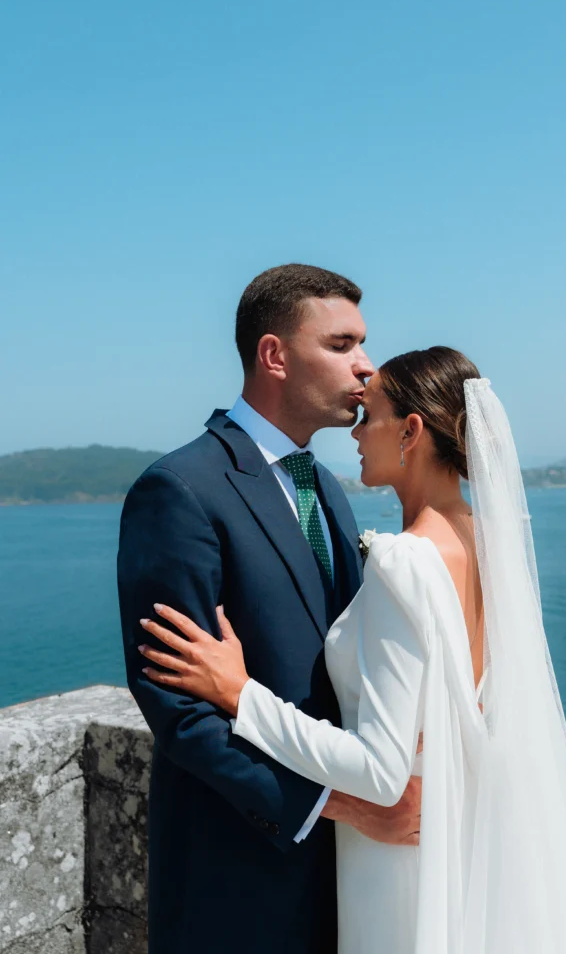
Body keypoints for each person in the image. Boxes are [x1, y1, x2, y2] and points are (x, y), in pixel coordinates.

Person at [138, 346, 566, 953]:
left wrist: (242, 696)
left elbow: (379, 768)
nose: (356, 433)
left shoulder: (405, 559)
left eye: (369, 416)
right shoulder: (483, 539)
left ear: (411, 431)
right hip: (452, 831)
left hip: (397, 854)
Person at [116, 264, 422, 954]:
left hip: (349, 879)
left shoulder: (326, 488)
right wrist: (347, 806)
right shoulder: (179, 490)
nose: (367, 367)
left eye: (363, 344)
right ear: (275, 355)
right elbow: (180, 710)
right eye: (342, 345)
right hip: (240, 883)